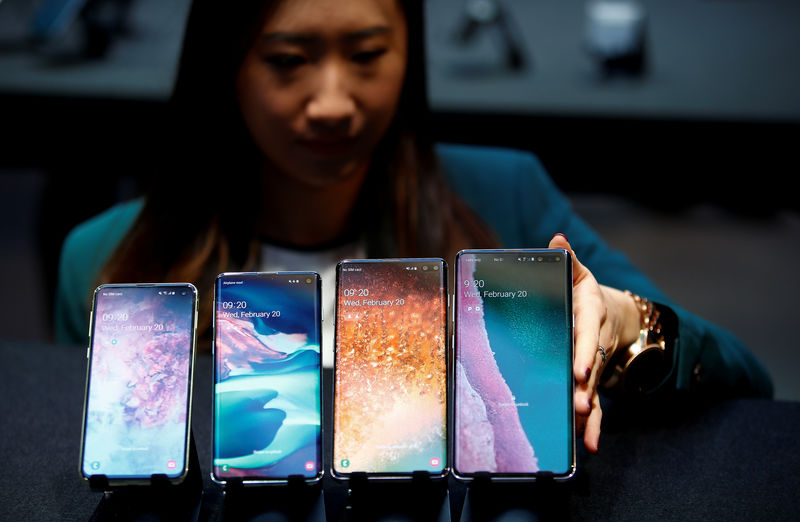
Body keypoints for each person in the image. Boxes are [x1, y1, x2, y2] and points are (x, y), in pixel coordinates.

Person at [54, 0, 773, 455]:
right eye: (287, 61)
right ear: (224, 67)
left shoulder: (507, 199)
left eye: (368, 55)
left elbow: (747, 381)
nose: (333, 102)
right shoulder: (106, 262)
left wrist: (627, 322)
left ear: (410, 54)